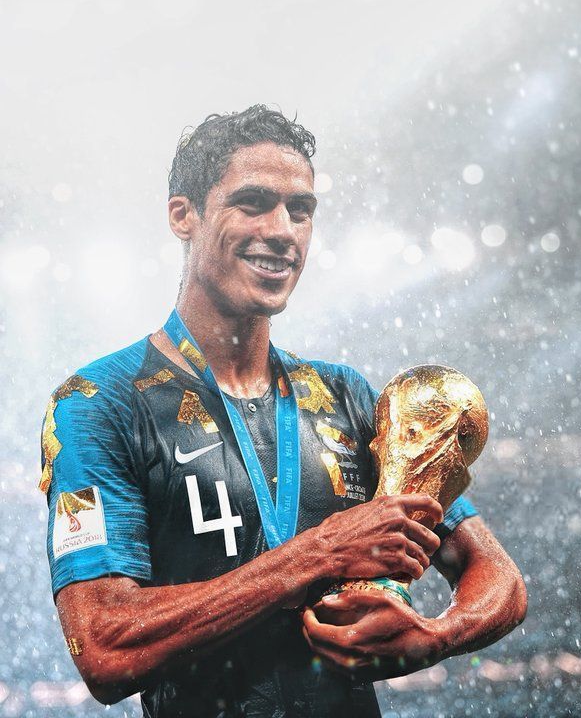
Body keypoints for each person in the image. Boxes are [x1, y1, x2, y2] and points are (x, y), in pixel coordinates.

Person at [40, 105, 527, 718]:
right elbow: (104, 646)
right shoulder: (97, 403)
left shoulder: (346, 396)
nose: (283, 230)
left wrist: (435, 638)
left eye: (301, 211)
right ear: (182, 215)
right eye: (253, 202)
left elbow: (500, 578)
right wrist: (317, 555)